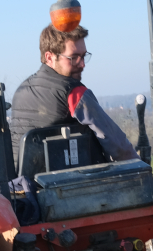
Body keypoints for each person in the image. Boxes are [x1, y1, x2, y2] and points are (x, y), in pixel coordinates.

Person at [9, 24, 138, 169]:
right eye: (74, 57)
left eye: (83, 56)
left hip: (23, 182)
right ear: (49, 57)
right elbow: (117, 145)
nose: (82, 64)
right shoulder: (73, 92)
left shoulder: (21, 90)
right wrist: (141, 170)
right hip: (65, 183)